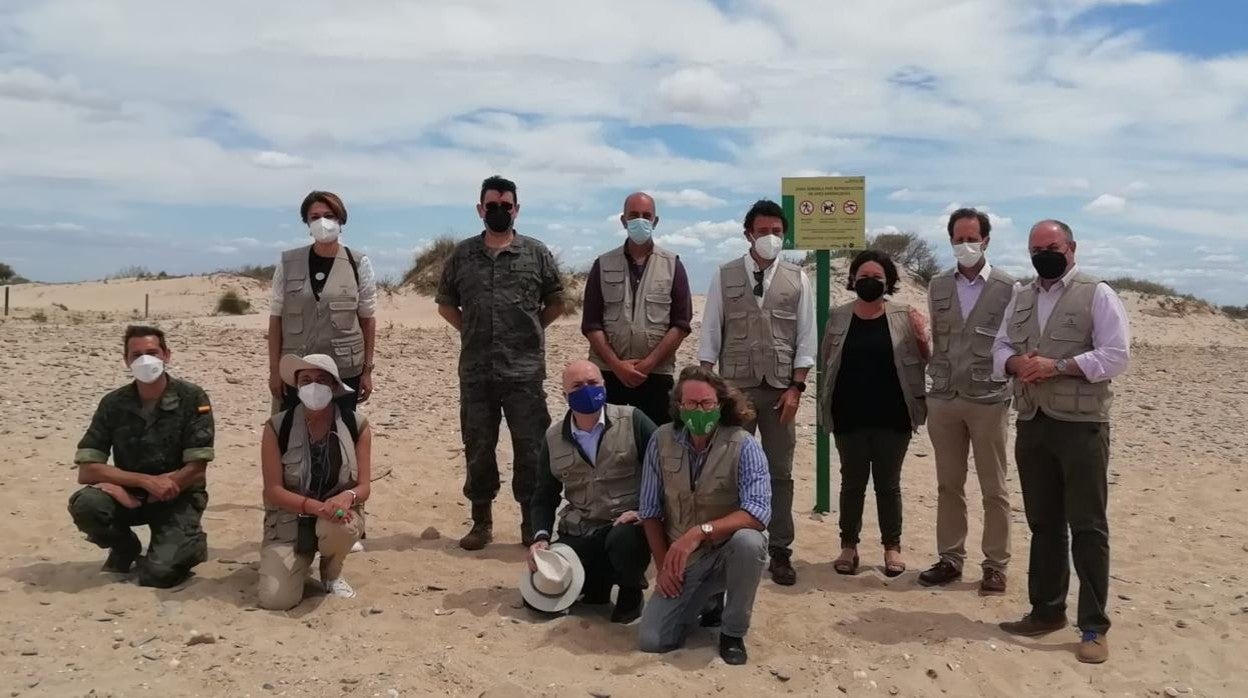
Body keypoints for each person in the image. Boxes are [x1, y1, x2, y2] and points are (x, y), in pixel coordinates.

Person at [994, 220, 1130, 665]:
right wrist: (1017, 363)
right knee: (1043, 523)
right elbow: (999, 348)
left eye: (1050, 247)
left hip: (1081, 425)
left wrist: (1059, 366)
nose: (1042, 255)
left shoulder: (1098, 294)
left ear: (1071, 248)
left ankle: (1093, 626)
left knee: (1088, 526)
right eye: (1035, 248)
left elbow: (1116, 355)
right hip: (1033, 421)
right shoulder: (1021, 296)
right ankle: (1046, 610)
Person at [436, 175, 565, 550]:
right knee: (478, 445)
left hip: (524, 371)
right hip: (476, 371)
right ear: (480, 209)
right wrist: (472, 331)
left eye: (505, 205)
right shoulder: (462, 255)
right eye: (491, 205)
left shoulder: (536, 253)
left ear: (516, 209)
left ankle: (531, 523)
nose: (498, 211)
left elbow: (556, 302)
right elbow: (446, 304)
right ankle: (481, 521)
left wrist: (529, 330)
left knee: (531, 448)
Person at [697, 199, 814, 587]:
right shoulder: (725, 274)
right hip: (736, 391)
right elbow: (711, 332)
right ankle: (729, 544)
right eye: (763, 231)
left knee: (779, 473)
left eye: (777, 232)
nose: (770, 238)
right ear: (748, 233)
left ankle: (780, 550)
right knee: (730, 470)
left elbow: (805, 337)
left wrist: (797, 387)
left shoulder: (798, 278)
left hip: (781, 391)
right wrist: (709, 386)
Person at [637, 366, 771, 666]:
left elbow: (758, 512)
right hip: (686, 560)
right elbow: (649, 511)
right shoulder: (661, 440)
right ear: (679, 406)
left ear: (720, 404)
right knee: (653, 639)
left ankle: (733, 631)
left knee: (750, 542)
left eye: (706, 403)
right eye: (692, 404)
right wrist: (664, 568)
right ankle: (708, 600)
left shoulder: (744, 445)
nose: (699, 410)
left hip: (727, 552)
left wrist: (699, 532)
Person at [68, 325, 214, 588]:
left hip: (178, 497)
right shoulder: (113, 404)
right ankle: (125, 547)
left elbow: (196, 468)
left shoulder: (192, 398)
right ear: (126, 360)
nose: (145, 360)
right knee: (87, 503)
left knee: (160, 575)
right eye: (136, 355)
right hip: (130, 496)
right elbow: (87, 470)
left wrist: (147, 491)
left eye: (152, 352)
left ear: (166, 355)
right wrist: (143, 484)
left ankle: (188, 545)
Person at [919, 208, 1016, 595]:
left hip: (989, 398)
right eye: (958, 239)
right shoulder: (938, 285)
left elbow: (1015, 341)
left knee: (994, 487)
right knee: (948, 485)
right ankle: (950, 558)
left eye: (971, 238)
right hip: (944, 398)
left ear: (987, 240)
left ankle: (995, 565)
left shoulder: (1010, 287)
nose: (965, 246)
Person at [819, 250, 929, 577]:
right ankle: (848, 547)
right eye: (863, 277)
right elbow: (827, 359)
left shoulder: (904, 315)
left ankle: (891, 548)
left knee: (888, 484)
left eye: (877, 278)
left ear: (888, 282)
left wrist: (923, 339)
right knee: (852, 482)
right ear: (853, 280)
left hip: (893, 416)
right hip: (848, 414)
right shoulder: (837, 316)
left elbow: (924, 359)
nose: (869, 282)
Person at [527, 360, 657, 623]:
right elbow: (544, 495)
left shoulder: (633, 420)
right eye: (577, 386)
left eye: (593, 384)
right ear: (565, 395)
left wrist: (645, 511)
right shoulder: (552, 439)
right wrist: (540, 537)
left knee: (626, 540)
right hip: (581, 530)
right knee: (548, 592)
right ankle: (597, 584)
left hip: (625, 525)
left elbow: (664, 469)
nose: (586, 390)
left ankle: (631, 592)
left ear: (605, 387)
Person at [257, 354, 372, 610]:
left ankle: (331, 573)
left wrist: (347, 497)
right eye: (306, 380)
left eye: (321, 380)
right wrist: (315, 507)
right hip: (289, 522)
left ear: (333, 386)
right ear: (297, 386)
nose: (313, 386)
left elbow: (364, 486)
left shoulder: (356, 424)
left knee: (339, 527)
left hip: (337, 517)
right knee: (276, 600)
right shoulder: (277, 427)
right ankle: (296, 559)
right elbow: (274, 491)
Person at [582, 192, 693, 425]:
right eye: (633, 216)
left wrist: (648, 364)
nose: (640, 221)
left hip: (656, 376)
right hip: (608, 374)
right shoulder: (602, 264)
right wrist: (616, 365)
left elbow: (681, 324)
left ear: (655, 221)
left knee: (657, 445)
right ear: (623, 221)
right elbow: (591, 324)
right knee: (609, 444)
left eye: (646, 216)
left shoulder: (673, 265)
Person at [268, 190, 378, 413]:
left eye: (329, 215)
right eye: (315, 217)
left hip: (344, 370)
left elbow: (367, 319)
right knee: (289, 433)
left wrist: (366, 371)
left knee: (343, 432)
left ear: (341, 220)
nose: (323, 222)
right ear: (307, 223)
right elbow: (276, 319)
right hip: (297, 370)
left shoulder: (358, 263)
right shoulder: (288, 262)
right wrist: (274, 372)